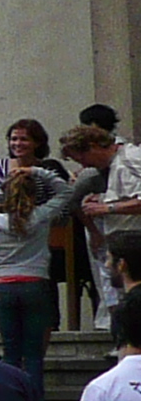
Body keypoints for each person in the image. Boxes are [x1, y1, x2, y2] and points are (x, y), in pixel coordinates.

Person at [0, 168, 62, 389]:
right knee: (34, 353)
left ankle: (12, 400)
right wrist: (37, 171)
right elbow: (65, 192)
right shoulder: (41, 216)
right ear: (33, 196)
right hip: (35, 281)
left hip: (3, 284)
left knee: (11, 349)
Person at [60, 122, 141, 312]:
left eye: (82, 158)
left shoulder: (130, 160)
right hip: (124, 245)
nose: (84, 165)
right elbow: (129, 196)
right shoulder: (114, 166)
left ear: (94, 146)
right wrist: (103, 200)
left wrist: (108, 207)